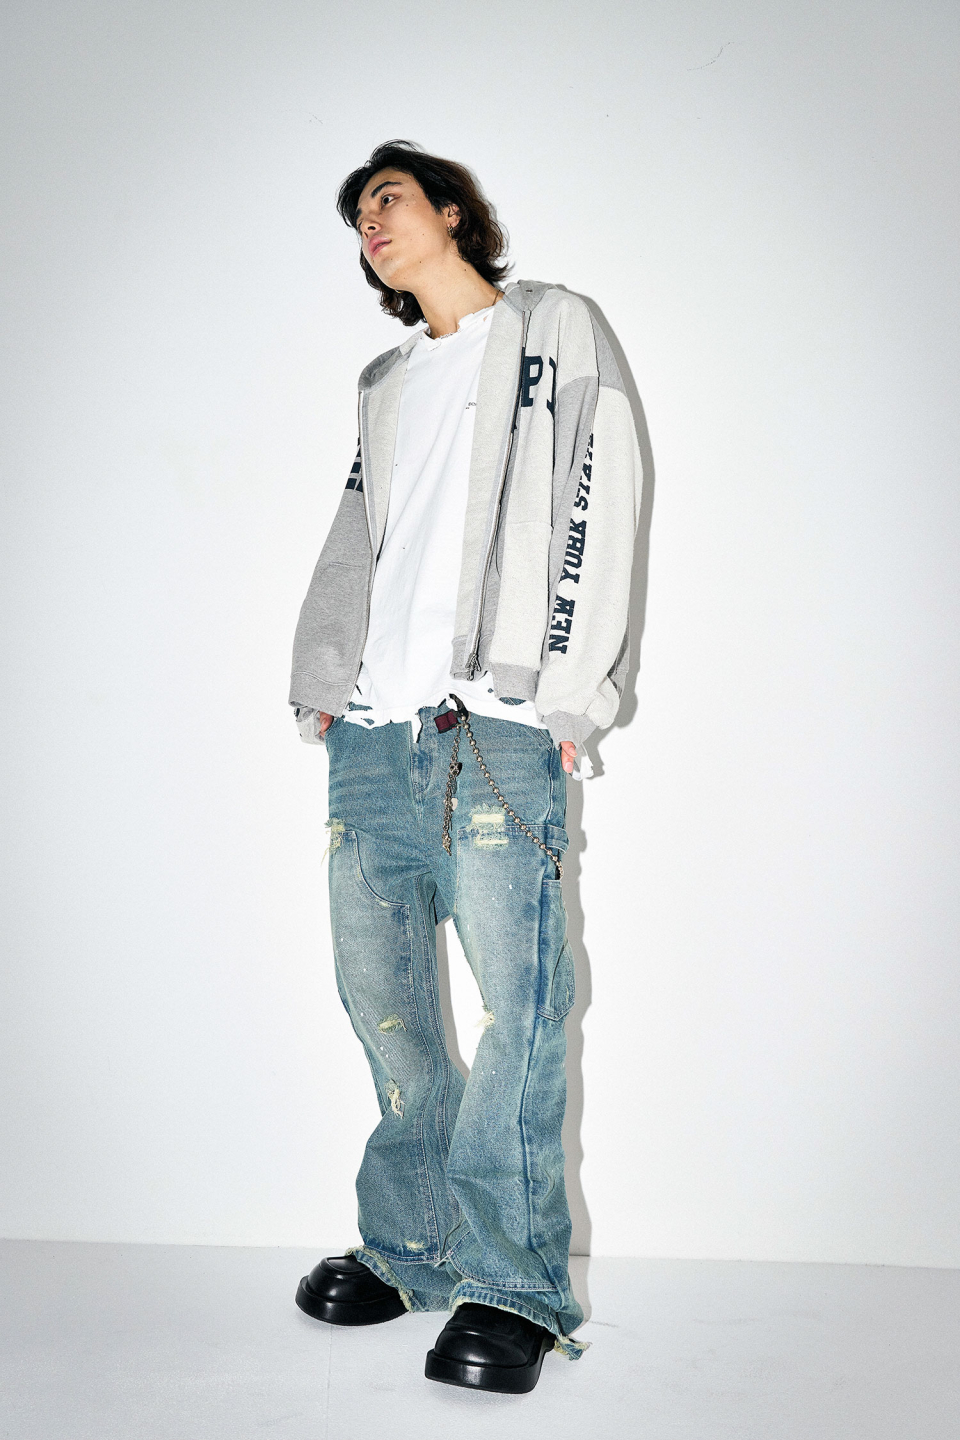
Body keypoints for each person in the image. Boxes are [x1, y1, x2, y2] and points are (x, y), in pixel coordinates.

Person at [288, 140, 643, 1394]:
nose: (371, 226)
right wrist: (324, 678)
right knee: (381, 1007)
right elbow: (358, 535)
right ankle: (413, 1246)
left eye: (386, 201)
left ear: (450, 210)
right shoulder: (388, 380)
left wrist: (570, 690)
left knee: (517, 1020)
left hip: (491, 726)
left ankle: (513, 1287)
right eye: (358, 218)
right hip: (371, 739)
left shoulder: (550, 331)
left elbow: (600, 492)